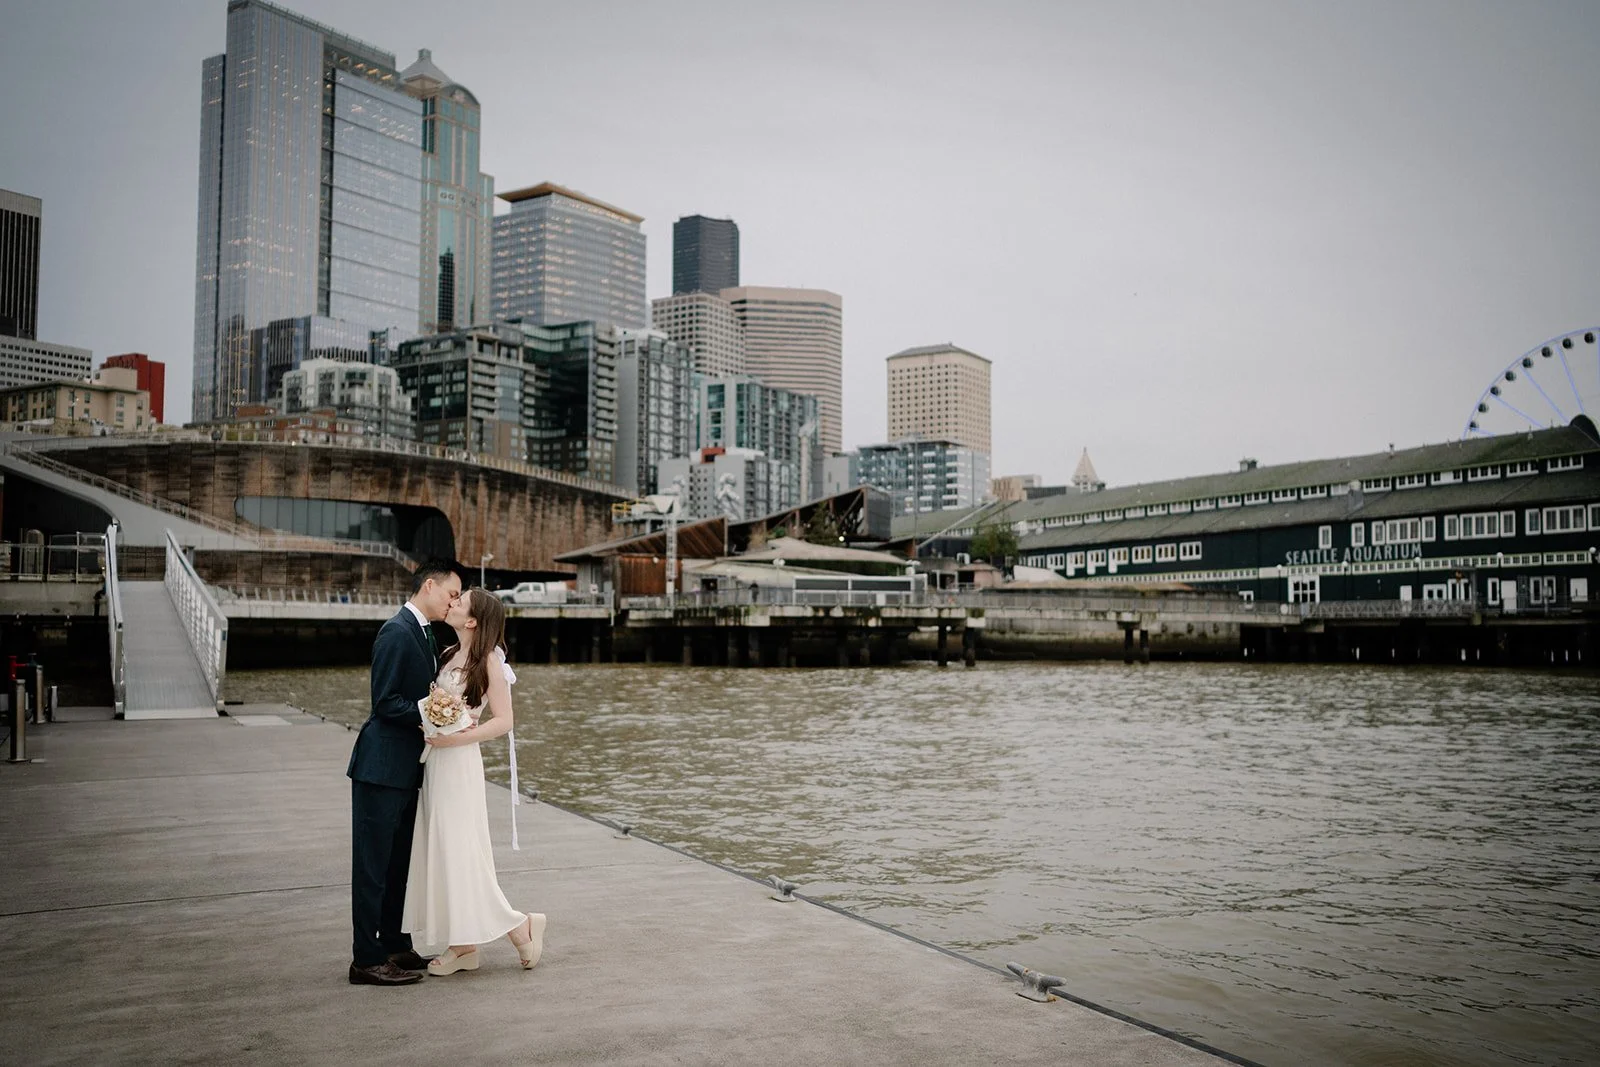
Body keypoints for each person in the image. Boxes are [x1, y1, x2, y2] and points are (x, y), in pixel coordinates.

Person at [403, 587, 546, 975]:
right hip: (437, 761)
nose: (452, 601)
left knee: (461, 849)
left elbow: (504, 720)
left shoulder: (488, 663)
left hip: (460, 761)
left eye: (460, 601)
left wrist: (457, 736)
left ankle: (519, 925)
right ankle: (463, 944)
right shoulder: (449, 654)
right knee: (445, 850)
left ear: (471, 621)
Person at [346, 561, 461, 987]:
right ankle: (365, 958)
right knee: (372, 866)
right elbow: (385, 702)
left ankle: (394, 942)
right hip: (380, 768)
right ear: (429, 586)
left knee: (398, 865)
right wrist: (431, 713)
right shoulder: (396, 632)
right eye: (451, 593)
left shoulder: (428, 633)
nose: (453, 602)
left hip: (406, 769)